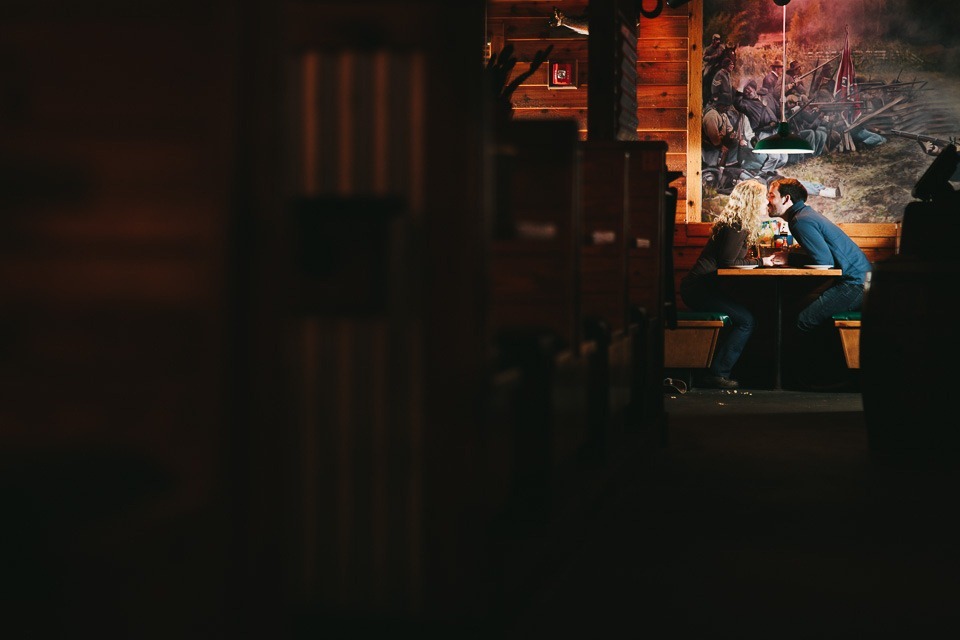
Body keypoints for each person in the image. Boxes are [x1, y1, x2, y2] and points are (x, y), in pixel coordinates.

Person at [765, 177, 873, 388]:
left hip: (856, 284)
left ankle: (814, 381)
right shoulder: (804, 215)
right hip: (859, 280)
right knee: (803, 316)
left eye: (771, 196)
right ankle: (821, 377)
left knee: (802, 321)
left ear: (786, 199)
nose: (767, 201)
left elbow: (823, 262)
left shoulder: (800, 221)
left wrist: (789, 258)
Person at [680, 180, 785, 389]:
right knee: (746, 321)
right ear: (752, 201)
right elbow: (728, 263)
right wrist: (761, 262)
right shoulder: (735, 226)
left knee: (745, 317)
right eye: (764, 197)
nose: (767, 200)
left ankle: (719, 370)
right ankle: (717, 374)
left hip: (703, 287)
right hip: (698, 289)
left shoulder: (737, 223)